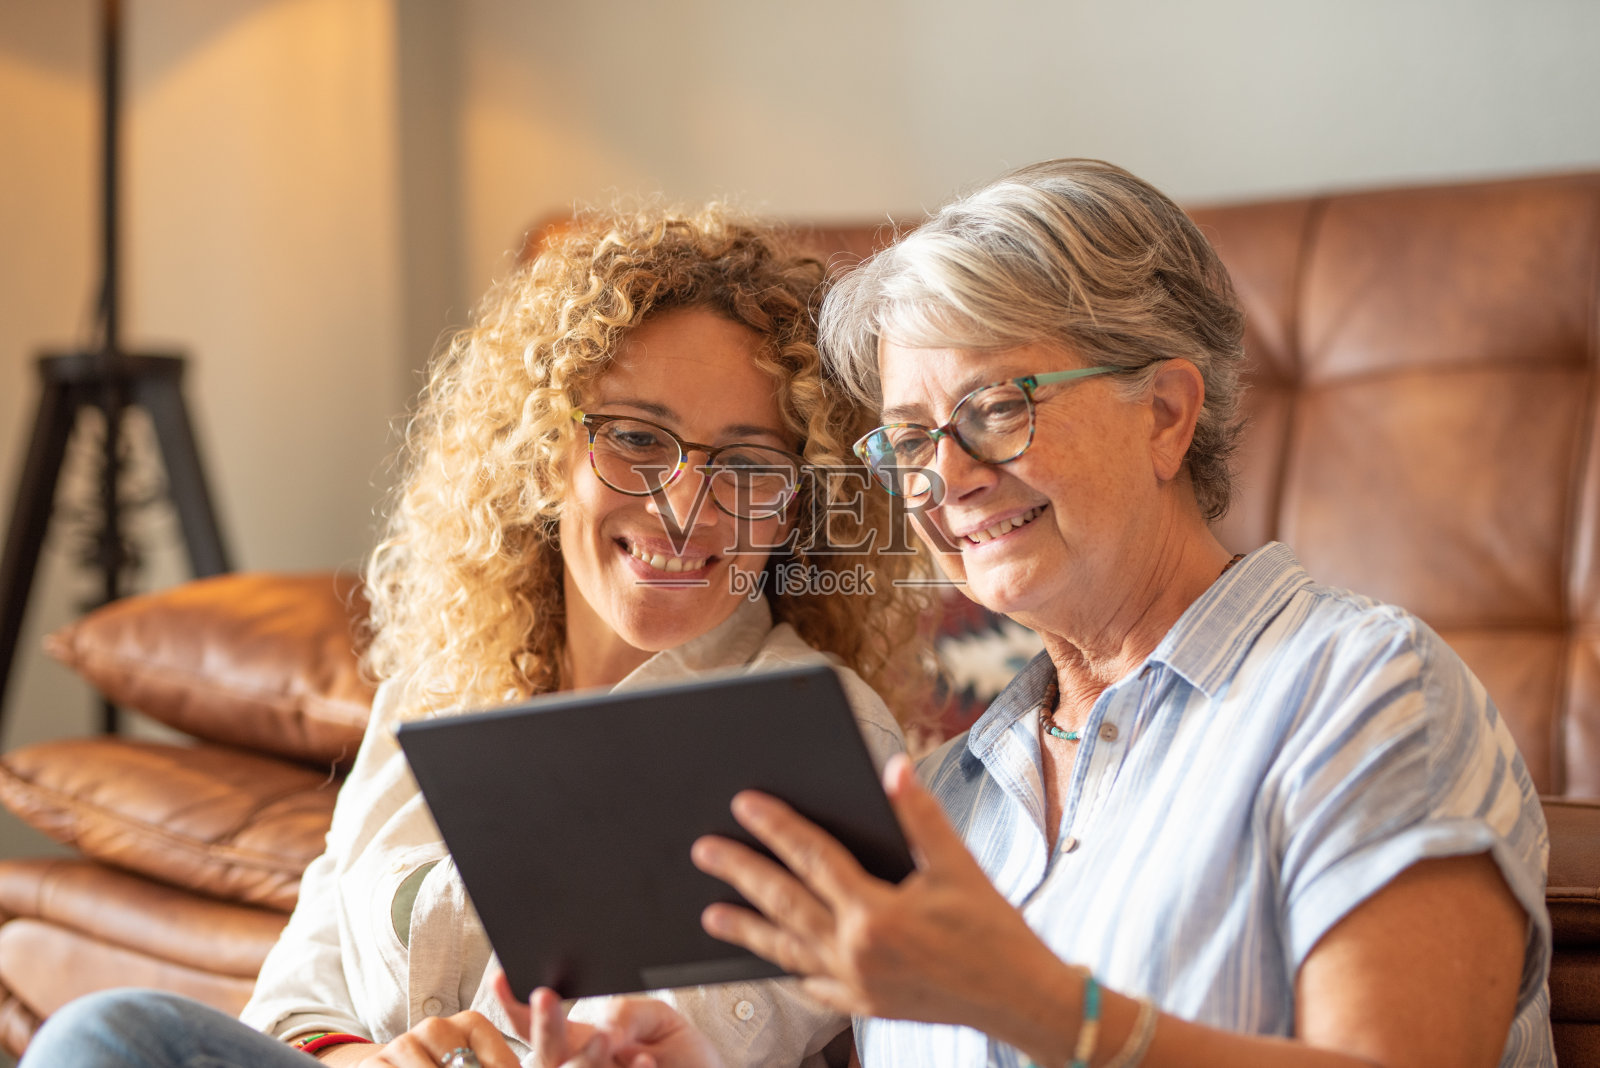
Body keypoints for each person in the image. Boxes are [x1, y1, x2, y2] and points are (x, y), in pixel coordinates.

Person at [525, 159, 1555, 1066]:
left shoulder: (1365, 694)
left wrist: (1035, 1005)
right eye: (910, 438)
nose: (947, 479)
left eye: (994, 409)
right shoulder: (939, 803)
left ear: (1164, 415)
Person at [18, 203, 927, 1068]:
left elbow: (690, 1035)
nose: (684, 504)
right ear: (545, 453)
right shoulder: (438, 687)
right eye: (638, 440)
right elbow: (296, 1000)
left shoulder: (813, 731)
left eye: (748, 462)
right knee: (111, 1036)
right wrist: (371, 1059)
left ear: (794, 503)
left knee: (108, 1035)